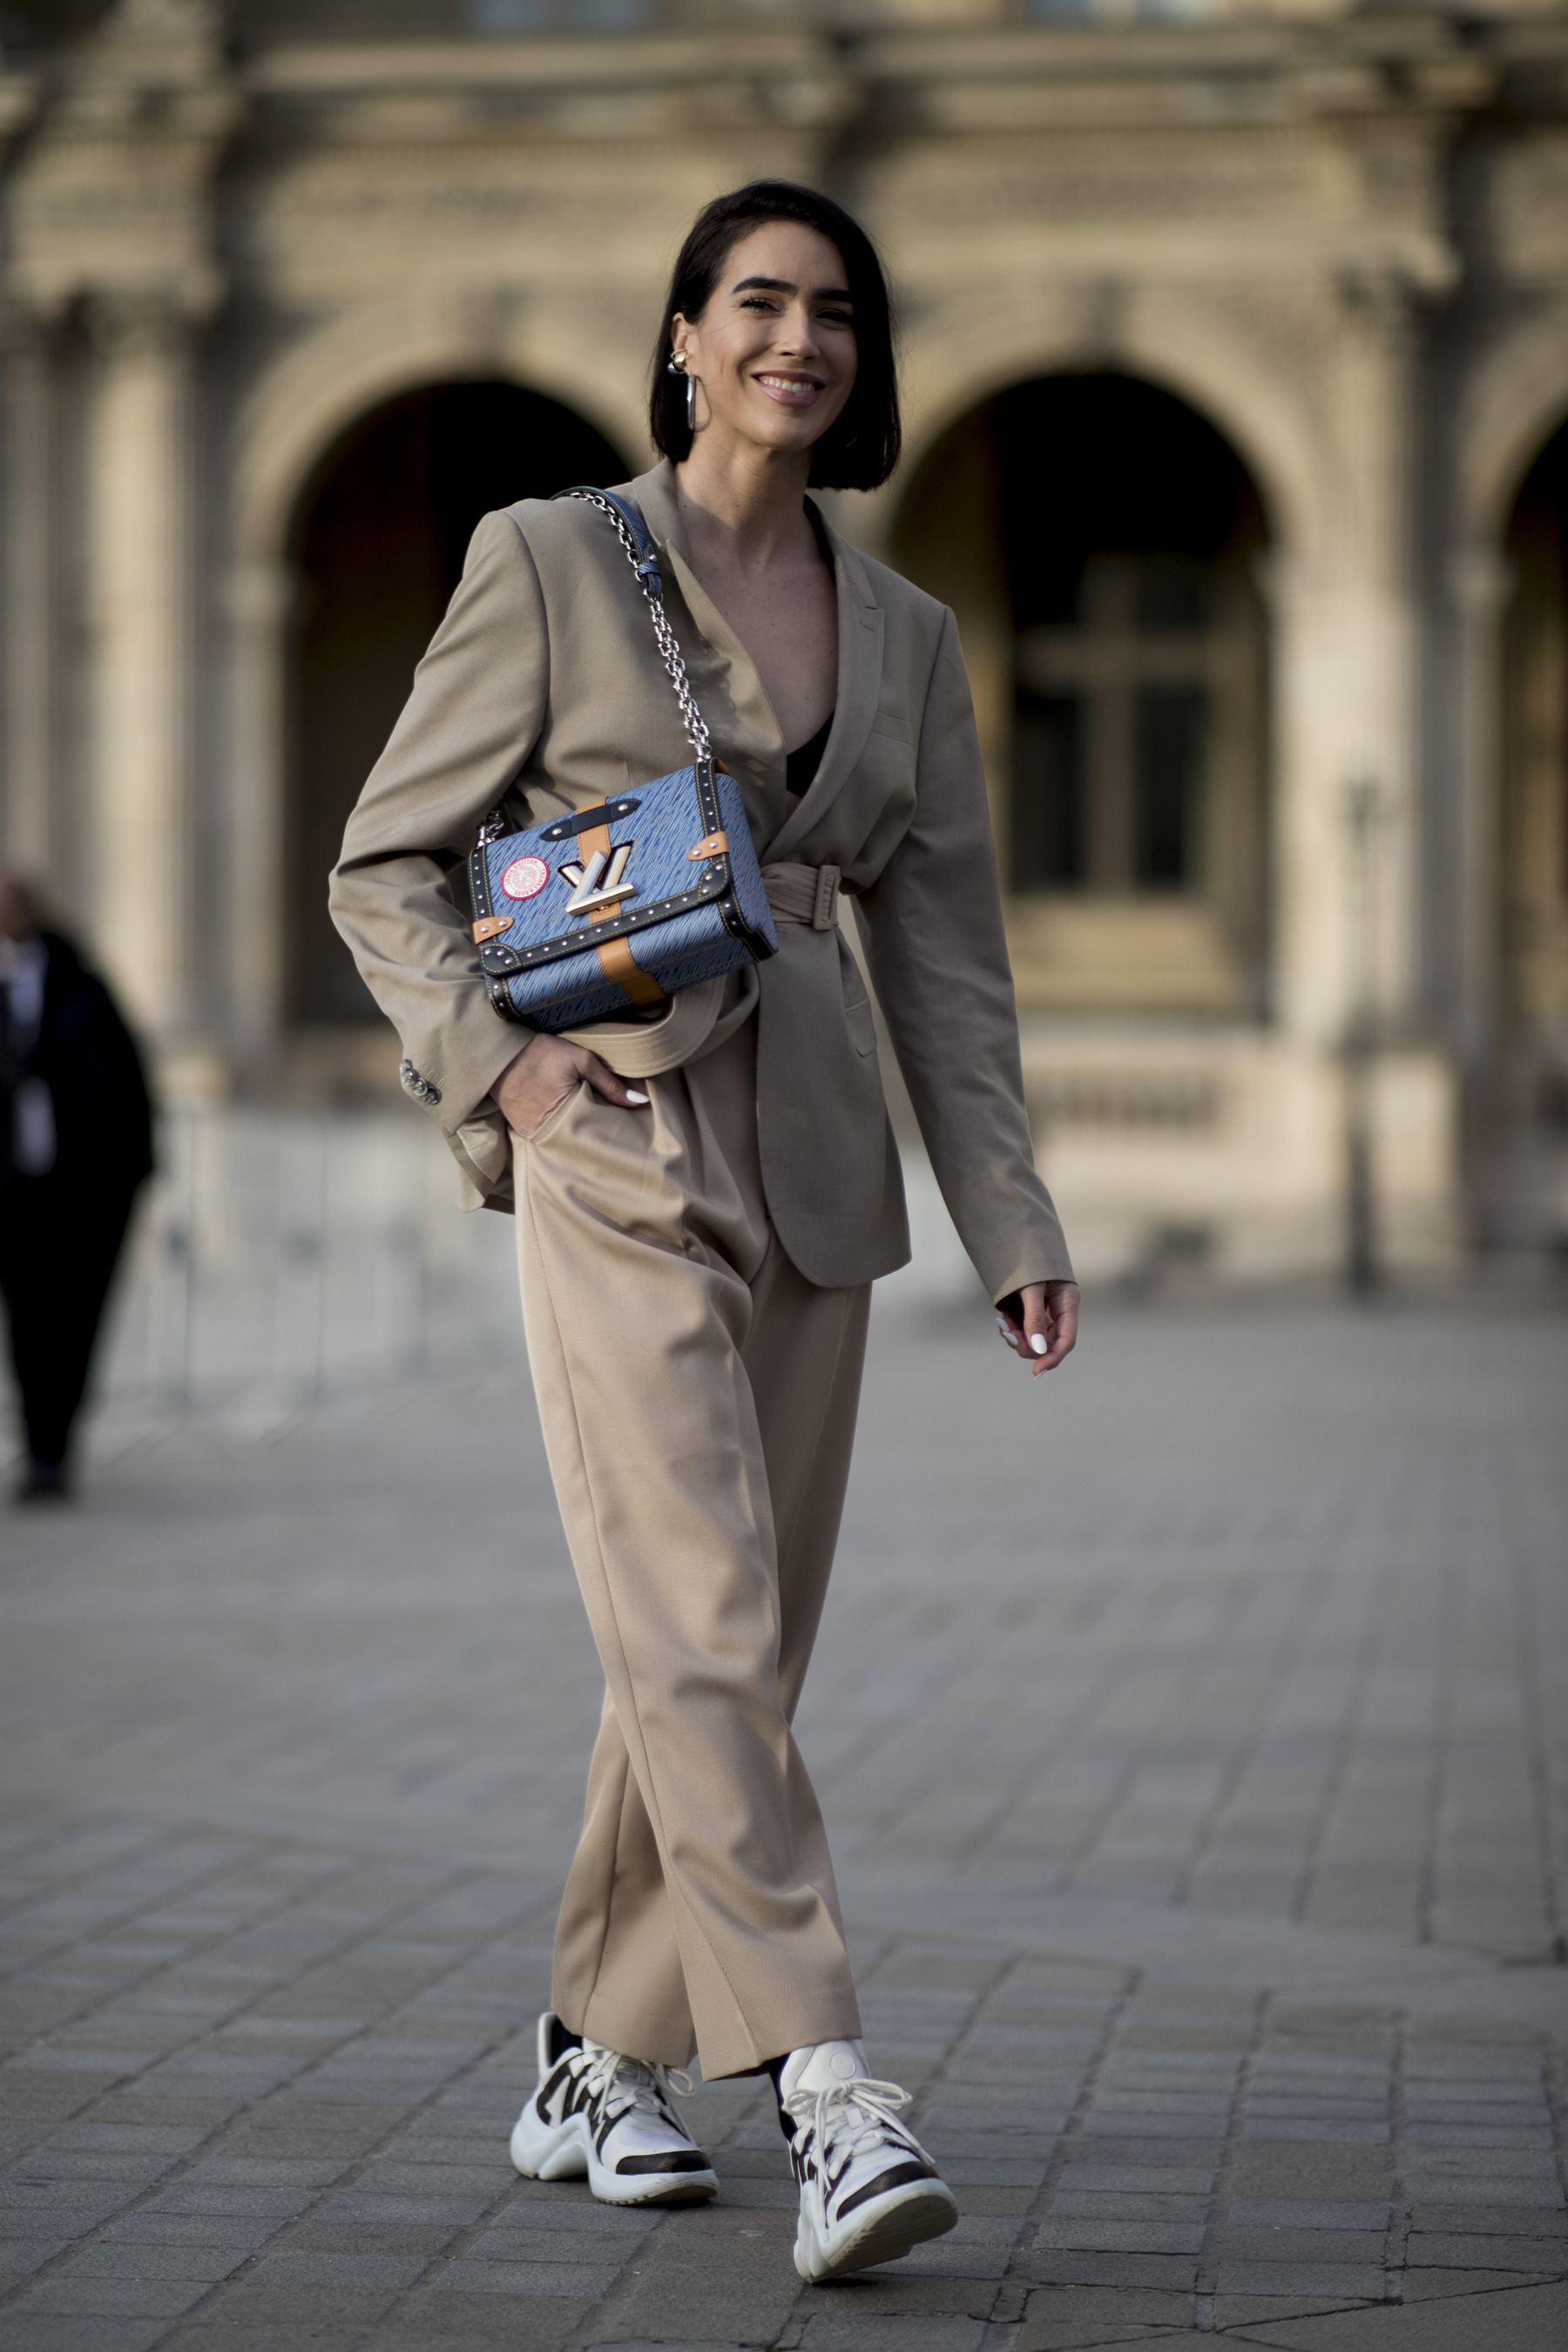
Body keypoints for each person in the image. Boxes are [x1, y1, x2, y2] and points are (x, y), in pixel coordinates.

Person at [331, 180, 1078, 2283]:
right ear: (681, 336)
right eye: (757, 301)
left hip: (822, 1147)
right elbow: (384, 863)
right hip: (615, 1126)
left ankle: (590, 2047)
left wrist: (1008, 1208)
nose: (798, 337)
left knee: (720, 1628)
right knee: (699, 1603)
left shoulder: (909, 632)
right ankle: (829, 2085)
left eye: (835, 310)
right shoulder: (554, 560)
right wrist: (514, 1075)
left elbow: (950, 955)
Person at [0, 875, 153, 1502]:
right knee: (27, 1322)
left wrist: (132, 1174)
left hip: (84, 1192)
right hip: (12, 1191)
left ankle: (57, 1446)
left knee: (75, 1320)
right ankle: (37, 1447)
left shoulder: (84, 990)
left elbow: (126, 1088)